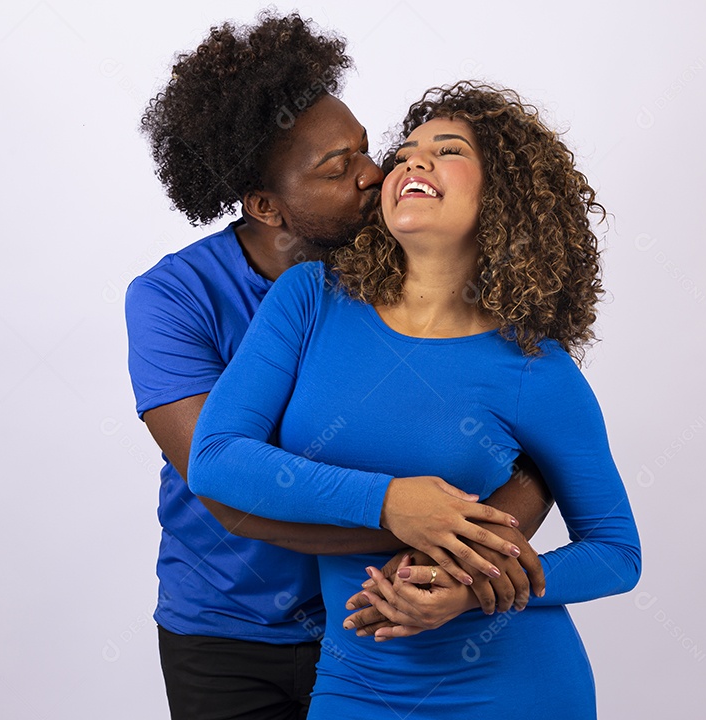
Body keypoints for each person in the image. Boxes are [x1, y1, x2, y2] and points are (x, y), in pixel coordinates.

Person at [127, 13, 551, 720]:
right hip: (226, 634)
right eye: (336, 168)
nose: (373, 174)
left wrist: (460, 551)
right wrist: (429, 524)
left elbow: (540, 449)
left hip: (390, 624)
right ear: (265, 205)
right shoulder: (173, 298)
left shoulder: (416, 262)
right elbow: (227, 492)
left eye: (364, 149)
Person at [187, 82, 643, 718]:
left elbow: (616, 553)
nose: (412, 161)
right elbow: (215, 457)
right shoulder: (310, 298)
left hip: (511, 689)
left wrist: (477, 587)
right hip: (355, 682)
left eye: (448, 150)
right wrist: (389, 502)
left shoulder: (535, 367)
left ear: (504, 194)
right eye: (403, 154)